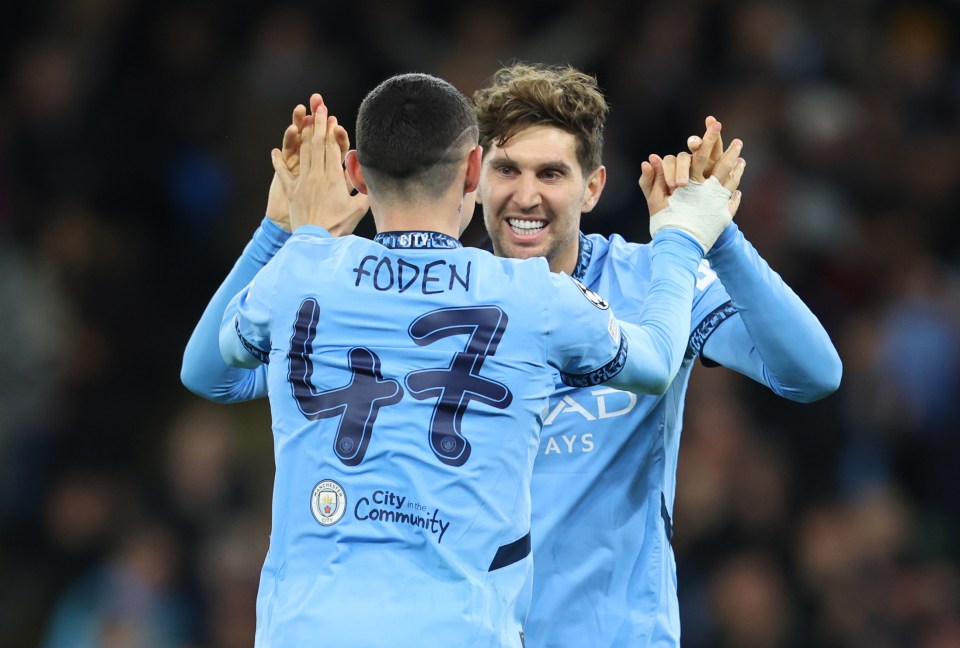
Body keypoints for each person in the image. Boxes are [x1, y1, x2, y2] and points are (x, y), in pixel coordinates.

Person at [181, 73, 742, 647]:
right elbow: (656, 362)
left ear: (356, 174)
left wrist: (278, 231)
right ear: (475, 171)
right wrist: (680, 236)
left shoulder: (300, 273)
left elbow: (205, 374)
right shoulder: (530, 297)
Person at [469, 62, 842, 647]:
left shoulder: (653, 279)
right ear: (477, 179)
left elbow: (812, 373)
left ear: (592, 187)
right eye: (507, 170)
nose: (526, 194)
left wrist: (715, 238)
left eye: (551, 173)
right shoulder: (442, 304)